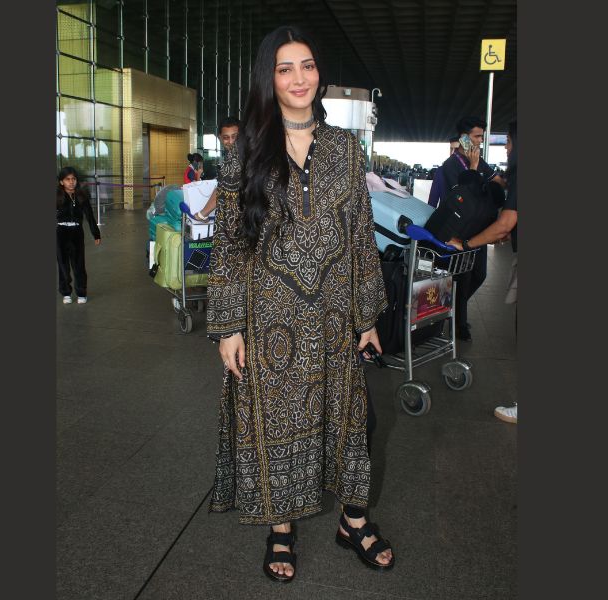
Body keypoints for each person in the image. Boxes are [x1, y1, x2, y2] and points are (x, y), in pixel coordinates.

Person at [206, 25, 395, 582]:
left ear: (319, 73)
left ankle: (352, 522)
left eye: (307, 66)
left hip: (334, 318)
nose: (298, 78)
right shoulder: (245, 151)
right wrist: (229, 327)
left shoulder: (344, 148)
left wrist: (366, 317)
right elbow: (229, 243)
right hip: (270, 322)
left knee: (349, 419)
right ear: (268, 78)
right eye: (285, 68)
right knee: (276, 422)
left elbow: (360, 233)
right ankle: (281, 528)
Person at [447, 121, 518, 423]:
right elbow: (465, 195)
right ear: (463, 137)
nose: (506, 148)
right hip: (468, 232)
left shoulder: (484, 164)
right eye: (476, 136)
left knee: (476, 277)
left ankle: (456, 316)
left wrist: (470, 242)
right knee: (463, 280)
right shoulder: (452, 165)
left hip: (475, 235)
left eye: (509, 142)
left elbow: (496, 201)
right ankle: (457, 320)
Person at [56, 167, 101, 304]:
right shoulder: (57, 196)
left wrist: (96, 234)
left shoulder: (82, 196)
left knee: (79, 265)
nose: (71, 182)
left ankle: (81, 292)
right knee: (63, 265)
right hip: (61, 233)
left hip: (77, 234)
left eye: (73, 179)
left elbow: (90, 216)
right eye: (67, 179)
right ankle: (66, 292)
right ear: (61, 182)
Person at [194, 116, 241, 222]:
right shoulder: (235, 156)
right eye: (226, 137)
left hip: (239, 221)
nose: (231, 141)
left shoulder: (237, 158)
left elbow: (222, 190)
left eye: (234, 137)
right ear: (220, 138)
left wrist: (202, 214)